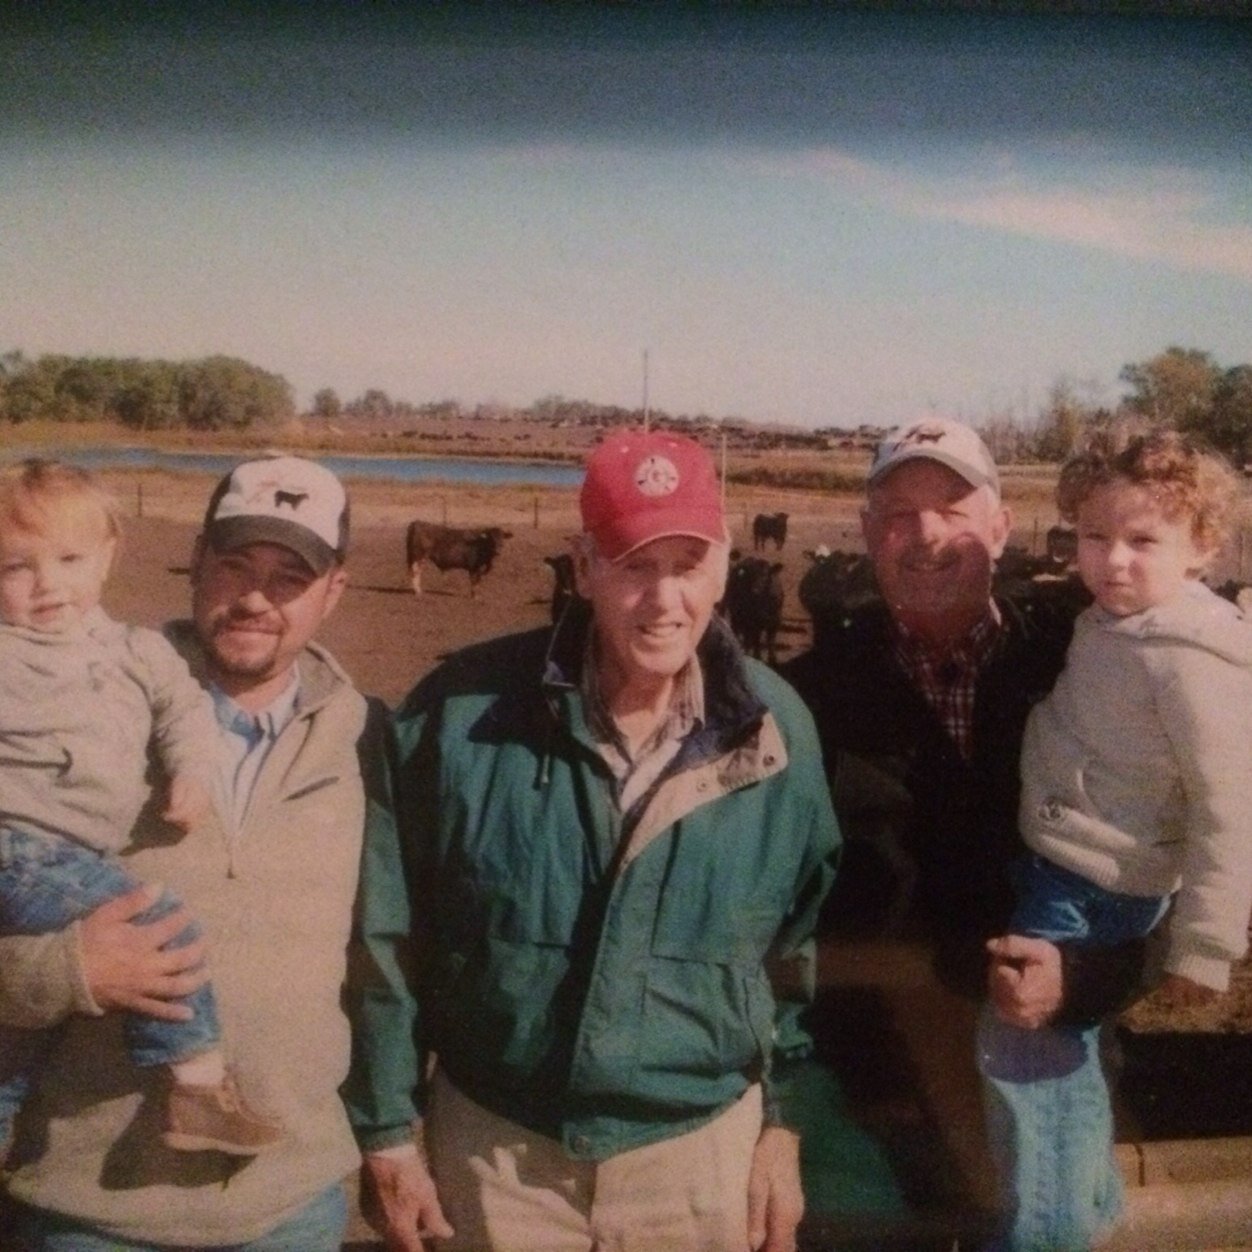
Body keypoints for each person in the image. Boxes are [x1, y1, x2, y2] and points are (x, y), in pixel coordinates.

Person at [344, 429, 841, 1252]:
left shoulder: (776, 731)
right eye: (634, 564)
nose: (664, 599)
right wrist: (390, 1130)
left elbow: (797, 949)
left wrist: (782, 1126)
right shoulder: (460, 714)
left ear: (723, 566)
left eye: (687, 563)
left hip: (700, 1159)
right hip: (499, 1161)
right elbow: (386, 943)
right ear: (583, 568)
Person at [781, 418, 1148, 1243]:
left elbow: (1161, 861)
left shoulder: (1088, 668)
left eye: (952, 505)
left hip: (1048, 1071)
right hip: (871, 1106)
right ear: (869, 534)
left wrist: (1089, 980)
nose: (926, 536)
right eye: (899, 513)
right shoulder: (806, 697)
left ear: (1001, 524)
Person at [0, 453, 379, 1252]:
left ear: (334, 592)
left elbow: (389, 962)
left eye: (289, 577)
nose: (253, 599)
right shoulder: (73, 713)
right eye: (234, 564)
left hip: (293, 1206)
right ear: (197, 562)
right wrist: (66, 973)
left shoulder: (369, 742)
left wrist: (395, 1138)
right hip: (92, 1211)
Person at [980, 428, 1252, 1251]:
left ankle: (1049, 1234)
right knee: (1065, 1054)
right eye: (1095, 537)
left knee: (1029, 1056)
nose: (1114, 560)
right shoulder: (1119, 623)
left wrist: (1204, 948)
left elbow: (1230, 807)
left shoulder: (1192, 658)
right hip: (1067, 863)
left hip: (1094, 885)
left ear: (1203, 546)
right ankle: (1087, 1212)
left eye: (1143, 541)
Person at [0, 459, 282, 1160]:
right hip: (16, 846)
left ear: (106, 559)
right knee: (160, 925)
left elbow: (185, 710)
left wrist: (193, 768)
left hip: (74, 858)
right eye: (16, 567)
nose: (47, 585)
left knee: (17, 1044)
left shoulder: (138, 651)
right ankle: (195, 1083)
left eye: (68, 559)